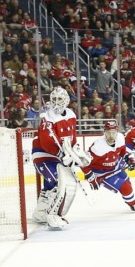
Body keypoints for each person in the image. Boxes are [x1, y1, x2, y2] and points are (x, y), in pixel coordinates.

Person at [30, 86, 84, 230]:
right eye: (53, 99)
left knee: (50, 185)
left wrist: (74, 150)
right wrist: (61, 154)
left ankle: (39, 214)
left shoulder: (71, 114)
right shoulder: (47, 118)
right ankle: (52, 215)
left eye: (59, 99)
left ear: (66, 99)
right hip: (43, 155)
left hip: (58, 156)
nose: (56, 102)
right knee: (56, 181)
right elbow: (46, 141)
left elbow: (72, 137)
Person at [82, 120, 135, 213]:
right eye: (108, 133)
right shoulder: (98, 147)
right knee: (125, 187)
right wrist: (91, 178)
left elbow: (123, 152)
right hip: (101, 173)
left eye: (113, 133)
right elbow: (84, 163)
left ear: (117, 132)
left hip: (115, 167)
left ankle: (130, 202)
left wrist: (129, 159)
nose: (111, 136)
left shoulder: (120, 138)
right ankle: (134, 205)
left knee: (127, 181)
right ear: (104, 132)